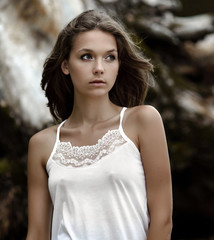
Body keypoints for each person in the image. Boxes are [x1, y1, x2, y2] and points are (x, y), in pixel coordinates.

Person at [26, 9, 172, 240]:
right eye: (86, 56)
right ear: (65, 65)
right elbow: (36, 233)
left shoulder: (143, 122)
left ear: (118, 65)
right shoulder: (42, 144)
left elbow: (162, 220)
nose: (99, 68)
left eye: (109, 57)